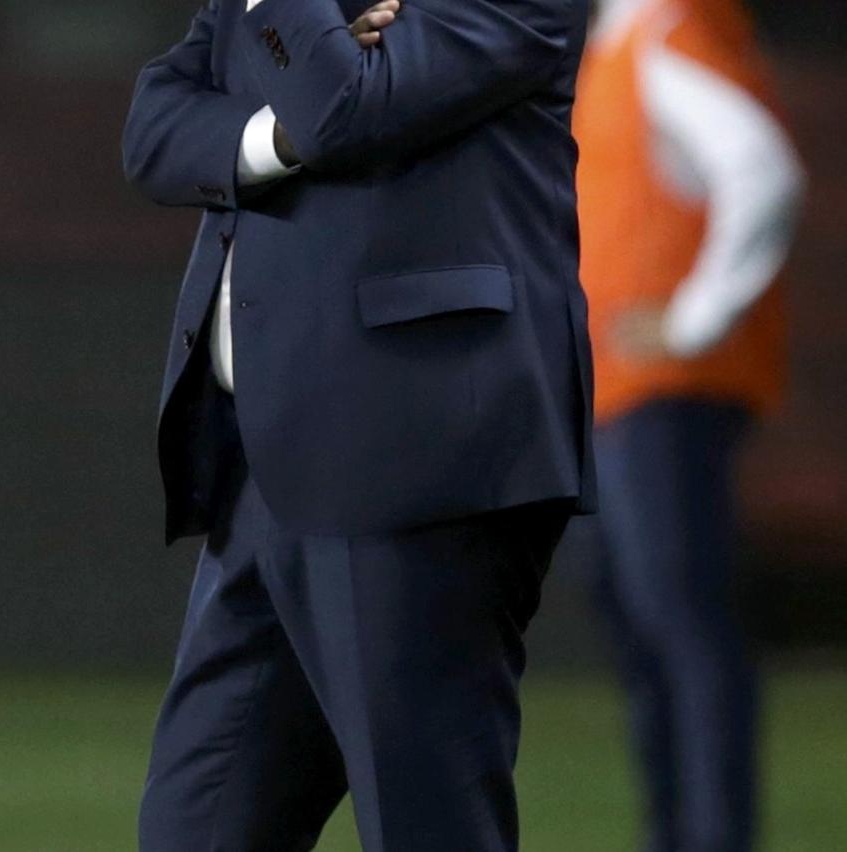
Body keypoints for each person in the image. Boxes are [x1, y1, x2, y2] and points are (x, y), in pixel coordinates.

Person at [122, 0, 594, 848]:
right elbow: (155, 128)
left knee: (426, 825)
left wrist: (312, 73)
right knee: (193, 827)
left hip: (417, 448)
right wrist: (279, 137)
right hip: (264, 462)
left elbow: (344, 108)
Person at [573, 1, 804, 849]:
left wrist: (694, 318)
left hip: (664, 389)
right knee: (643, 620)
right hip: (618, 391)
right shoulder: (624, 42)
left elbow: (764, 172)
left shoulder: (670, 30)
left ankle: (710, 835)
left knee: (680, 622)